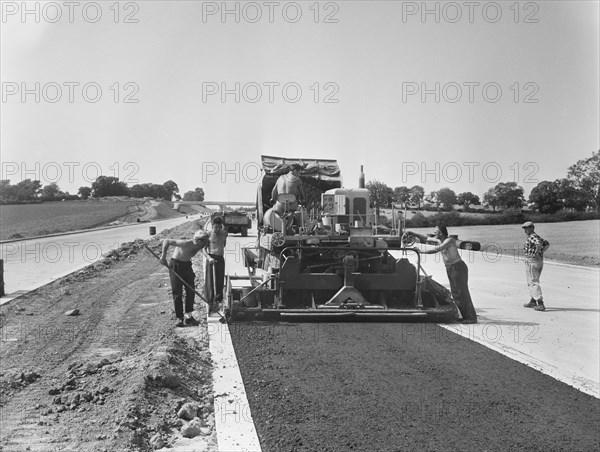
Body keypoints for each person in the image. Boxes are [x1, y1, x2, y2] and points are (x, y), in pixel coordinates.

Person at [408, 226, 478, 323]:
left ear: (441, 233)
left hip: (457, 267)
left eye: (436, 231)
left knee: (462, 292)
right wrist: (413, 233)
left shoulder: (449, 240)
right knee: (456, 293)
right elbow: (425, 238)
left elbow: (437, 249)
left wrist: (420, 251)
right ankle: (465, 316)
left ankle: (471, 318)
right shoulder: (441, 241)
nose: (434, 233)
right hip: (450, 268)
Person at [160, 230, 211, 327]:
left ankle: (189, 317)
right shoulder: (186, 243)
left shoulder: (199, 246)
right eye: (205, 241)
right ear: (199, 241)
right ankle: (179, 318)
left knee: (191, 290)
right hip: (176, 265)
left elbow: (203, 250)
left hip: (187, 266)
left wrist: (209, 257)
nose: (206, 244)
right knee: (177, 292)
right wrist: (163, 257)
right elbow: (167, 241)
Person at [521, 221, 550, 311]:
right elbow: (546, 244)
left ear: (532, 228)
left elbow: (539, 244)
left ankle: (540, 303)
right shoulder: (537, 236)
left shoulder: (532, 236)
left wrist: (535, 253)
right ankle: (533, 301)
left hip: (532, 261)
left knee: (533, 282)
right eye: (524, 228)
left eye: (527, 228)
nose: (525, 230)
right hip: (539, 261)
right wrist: (541, 253)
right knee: (534, 280)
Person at [207, 216, 228, 303]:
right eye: (216, 227)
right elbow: (203, 249)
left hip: (220, 258)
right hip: (211, 258)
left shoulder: (224, 233)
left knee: (220, 279)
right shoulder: (208, 234)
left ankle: (219, 299)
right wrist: (209, 258)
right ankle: (210, 300)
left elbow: (224, 244)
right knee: (210, 280)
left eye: (220, 227)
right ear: (212, 225)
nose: (218, 229)